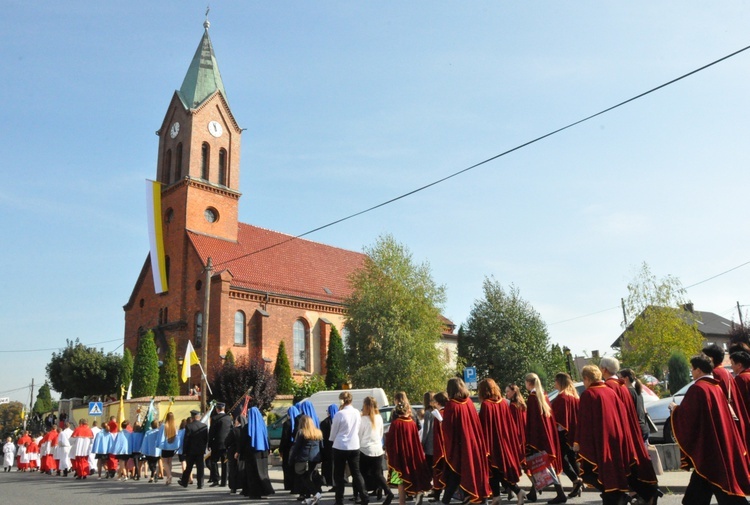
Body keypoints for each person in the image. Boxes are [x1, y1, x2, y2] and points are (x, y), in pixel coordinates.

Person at [671, 353, 750, 504]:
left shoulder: (698, 389)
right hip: (716, 444)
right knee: (696, 497)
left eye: (692, 369)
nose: (691, 372)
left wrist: (675, 410)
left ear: (699, 370)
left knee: (724, 492)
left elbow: (688, 417)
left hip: (708, 449)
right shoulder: (715, 387)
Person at [575, 365, 639, 505]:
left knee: (589, 472)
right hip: (616, 438)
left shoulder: (588, 394)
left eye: (583, 380)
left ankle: (614, 495)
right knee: (613, 471)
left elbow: (584, 422)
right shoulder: (610, 392)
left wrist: (578, 442)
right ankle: (618, 494)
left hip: (600, 441)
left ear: (586, 379)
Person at [599, 357, 660, 504]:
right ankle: (647, 492)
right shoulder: (623, 387)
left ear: (604, 369)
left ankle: (644, 493)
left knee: (620, 470)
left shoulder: (609, 387)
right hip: (630, 432)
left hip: (617, 434)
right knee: (631, 468)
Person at [441, 377, 491, 505]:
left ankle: (445, 501)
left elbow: (448, 429)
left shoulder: (451, 405)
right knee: (474, 471)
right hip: (474, 443)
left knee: (455, 474)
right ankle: (478, 498)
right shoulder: (469, 402)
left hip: (460, 447)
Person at [477, 378, 525, 505]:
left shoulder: (486, 405)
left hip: (493, 443)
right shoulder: (503, 403)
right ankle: (497, 496)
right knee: (497, 471)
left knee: (495, 470)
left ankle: (516, 492)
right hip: (504, 442)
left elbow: (483, 426)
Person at [524, 372, 567, 504]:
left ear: (529, 383)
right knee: (540, 463)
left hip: (539, 437)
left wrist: (530, 438)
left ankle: (560, 493)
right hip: (547, 435)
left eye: (525, 382)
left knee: (545, 464)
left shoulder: (532, 397)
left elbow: (532, 421)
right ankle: (533, 493)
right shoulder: (543, 394)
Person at [386, 392, 434, 505]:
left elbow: (390, 440)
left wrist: (388, 452)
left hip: (399, 455)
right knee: (413, 475)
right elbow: (416, 439)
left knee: (400, 481)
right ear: (408, 411)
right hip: (411, 454)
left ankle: (402, 502)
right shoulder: (411, 423)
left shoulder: (395, 423)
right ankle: (418, 493)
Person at [330, 391, 369, 505]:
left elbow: (333, 432)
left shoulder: (339, 414)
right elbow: (358, 428)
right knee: (356, 473)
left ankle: (339, 499)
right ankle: (364, 496)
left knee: (339, 474)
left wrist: (333, 439)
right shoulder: (357, 412)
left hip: (340, 446)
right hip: (354, 445)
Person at [550, 372, 583, 499]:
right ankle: (578, 482)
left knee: (561, 460)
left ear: (560, 381)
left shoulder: (562, 398)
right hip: (573, 432)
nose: (554, 383)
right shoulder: (574, 396)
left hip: (563, 433)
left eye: (555, 381)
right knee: (572, 458)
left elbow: (560, 418)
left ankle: (576, 480)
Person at [359, 396, 394, 505]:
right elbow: (380, 434)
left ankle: (364, 497)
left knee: (362, 474)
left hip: (365, 449)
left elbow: (359, 435)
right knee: (377, 474)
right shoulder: (379, 417)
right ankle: (387, 491)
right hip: (377, 449)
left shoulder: (363, 419)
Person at [291, 414, 325, 505]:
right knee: (310, 477)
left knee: (305, 477)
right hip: (314, 458)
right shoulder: (318, 432)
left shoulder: (302, 432)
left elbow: (297, 447)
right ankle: (312, 498)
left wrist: (291, 459)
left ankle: (316, 494)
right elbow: (322, 447)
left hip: (304, 458)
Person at [245, 406, 275, 498]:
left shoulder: (247, 427)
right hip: (263, 451)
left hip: (253, 452)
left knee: (253, 473)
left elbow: (244, 441)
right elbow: (267, 438)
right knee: (263, 472)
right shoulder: (263, 426)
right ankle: (266, 491)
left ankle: (255, 493)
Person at [618, 368, 649, 445]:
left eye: (620, 377)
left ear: (626, 378)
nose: (618, 380)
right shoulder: (637, 391)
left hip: (637, 430)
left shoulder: (628, 393)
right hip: (644, 427)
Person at [179, 409, 208, 489]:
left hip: (191, 451)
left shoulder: (189, 426)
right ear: (199, 417)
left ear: (192, 417)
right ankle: (200, 484)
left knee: (189, 467)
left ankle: (184, 482)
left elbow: (186, 440)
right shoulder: (204, 426)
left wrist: (184, 451)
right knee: (200, 467)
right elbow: (206, 439)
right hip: (200, 450)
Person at [208, 401, 233, 487]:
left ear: (217, 409)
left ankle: (216, 479)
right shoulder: (229, 418)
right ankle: (224, 481)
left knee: (213, 461)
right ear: (224, 408)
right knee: (224, 462)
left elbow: (211, 433)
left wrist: (209, 444)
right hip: (226, 444)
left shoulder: (214, 418)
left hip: (217, 444)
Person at [430, 392, 448, 503]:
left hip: (442, 447)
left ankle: (439, 495)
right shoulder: (449, 412)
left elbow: (437, 434)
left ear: (438, 402)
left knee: (439, 471)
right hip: (449, 447)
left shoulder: (440, 413)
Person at [281, 404, 301, 492]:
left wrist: (281, 449)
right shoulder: (299, 422)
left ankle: (288, 485)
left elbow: (284, 438)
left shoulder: (286, 423)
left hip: (287, 449)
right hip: (296, 448)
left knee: (287, 467)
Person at [227, 413, 247, 494]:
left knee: (233, 470)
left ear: (238, 422)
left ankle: (233, 487)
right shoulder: (246, 430)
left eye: (235, 421)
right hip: (244, 452)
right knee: (243, 470)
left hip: (233, 452)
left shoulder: (234, 430)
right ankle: (244, 487)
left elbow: (227, 442)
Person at [320, 403, 338, 490]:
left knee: (329, 466)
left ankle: (330, 482)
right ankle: (336, 484)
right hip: (338, 447)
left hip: (328, 448)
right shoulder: (339, 421)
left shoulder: (324, 422)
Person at [159, 411, 181, 485]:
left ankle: (169, 475)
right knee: (169, 462)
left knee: (164, 462)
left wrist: (159, 445)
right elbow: (177, 437)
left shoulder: (164, 426)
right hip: (172, 447)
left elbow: (161, 436)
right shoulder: (175, 426)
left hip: (165, 446)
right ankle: (168, 479)